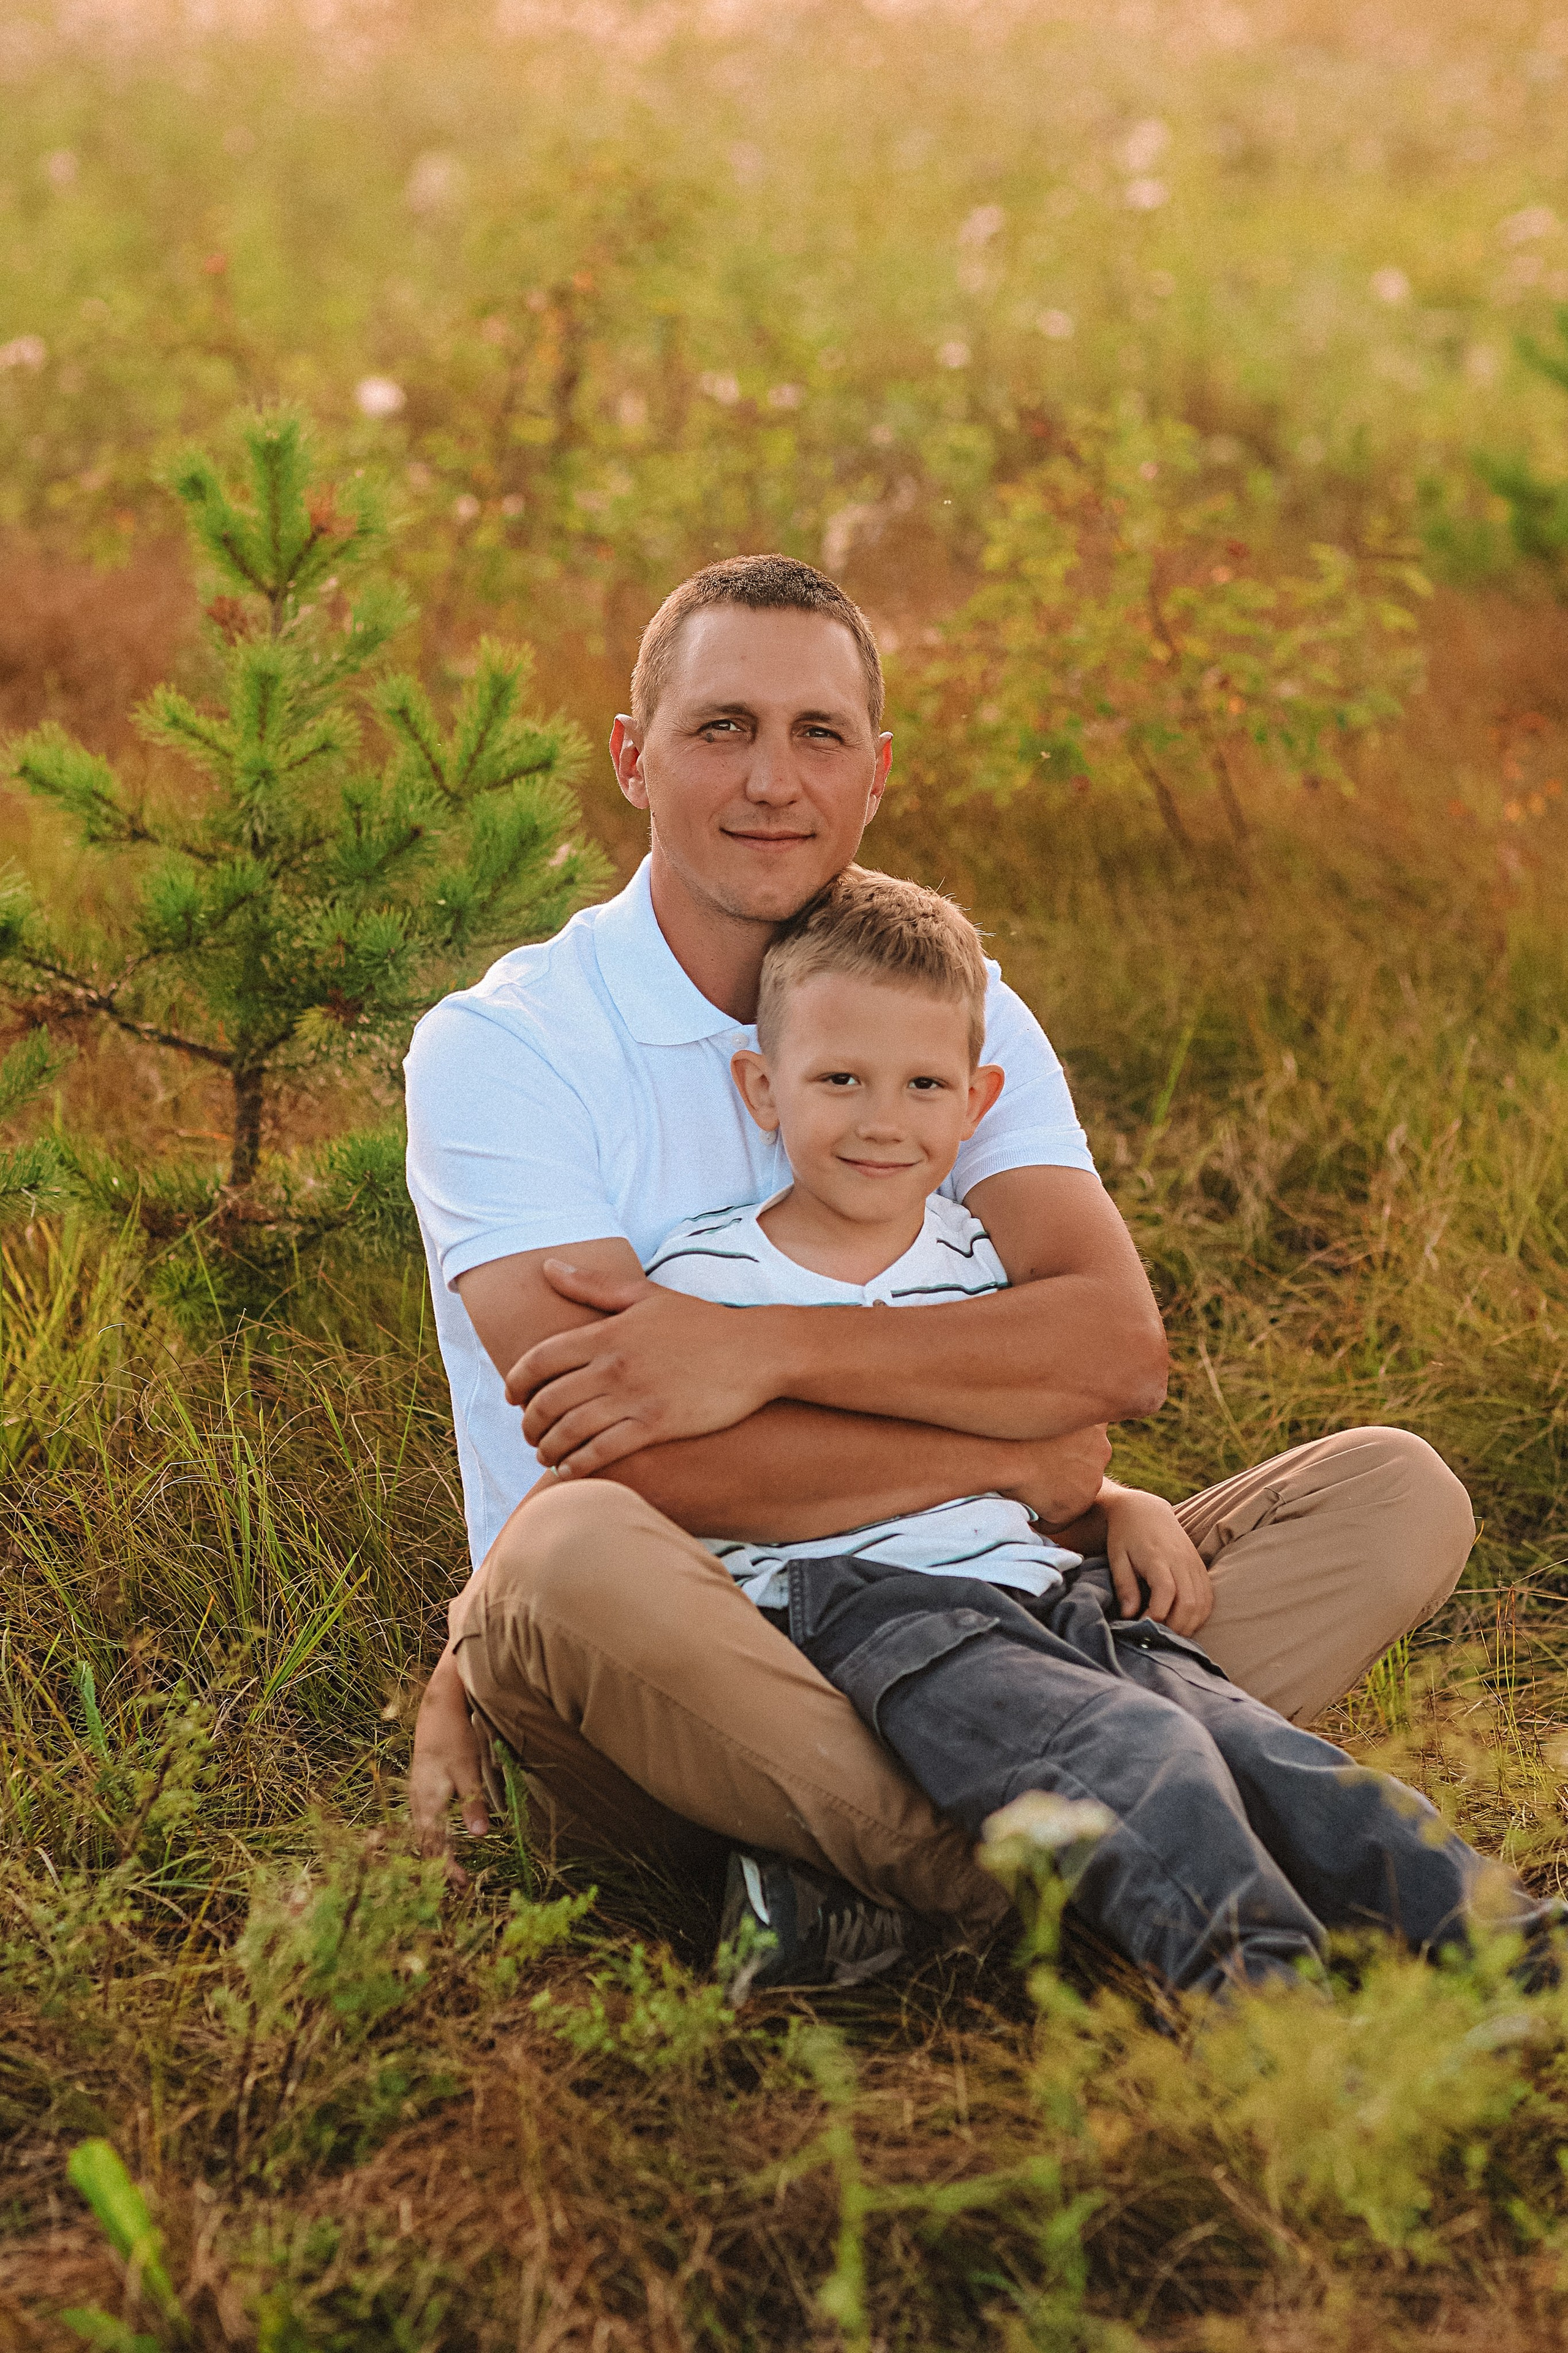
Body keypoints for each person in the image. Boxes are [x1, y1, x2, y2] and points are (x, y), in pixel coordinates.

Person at [404, 551, 1477, 1974]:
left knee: (1392, 1492)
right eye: (721, 727)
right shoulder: (509, 1046)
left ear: (875, 774)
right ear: (633, 756)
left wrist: (755, 1351)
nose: (770, 782)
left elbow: (1108, 1349)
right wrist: (1026, 1470)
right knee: (562, 1547)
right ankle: (1049, 1869)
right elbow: (624, 1460)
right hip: (680, 1673)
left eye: (817, 734)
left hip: (993, 1624)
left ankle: (877, 1886)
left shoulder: (947, 1005)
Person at [639, 864, 1548, 2000]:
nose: (882, 1119)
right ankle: (1273, 2012)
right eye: (840, 1079)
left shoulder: (982, 1266)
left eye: (924, 1083)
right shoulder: (705, 1277)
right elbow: (682, 1478)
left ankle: (1518, 1949)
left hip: (1045, 1596)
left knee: (1272, 1757)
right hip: (862, 1613)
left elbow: (1047, 1463)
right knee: (1142, 1758)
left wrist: (1118, 1504)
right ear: (762, 1088)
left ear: (976, 1104)